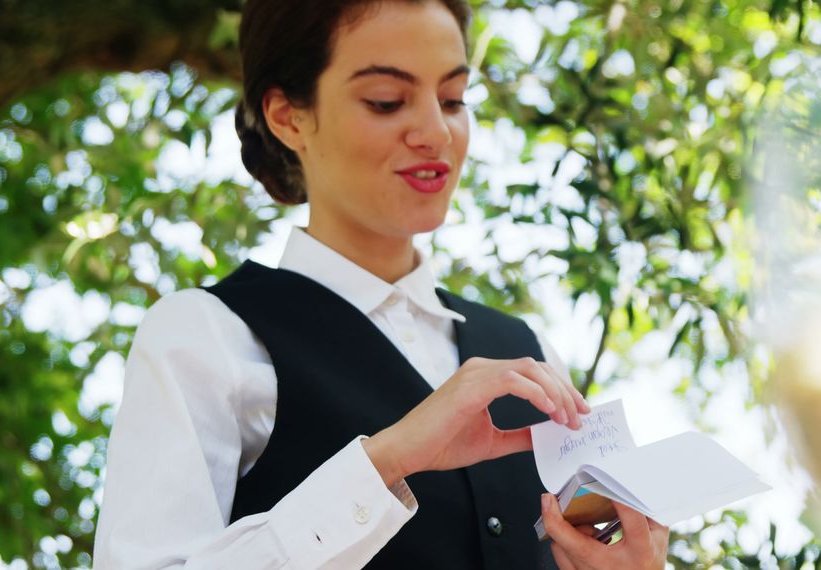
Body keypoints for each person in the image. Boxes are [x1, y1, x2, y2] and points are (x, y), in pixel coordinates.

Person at [94, 0, 670, 568]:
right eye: (386, 101)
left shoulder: (526, 350)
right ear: (288, 116)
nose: (435, 133)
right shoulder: (208, 335)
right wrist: (384, 463)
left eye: (452, 99)